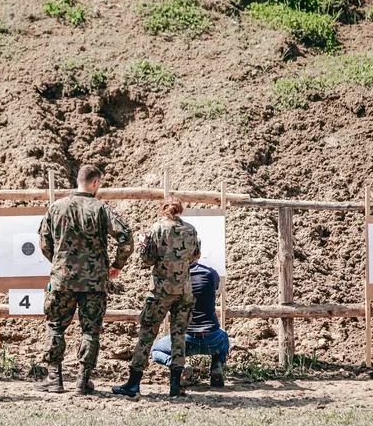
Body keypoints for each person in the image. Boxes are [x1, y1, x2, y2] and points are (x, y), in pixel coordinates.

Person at [35, 164, 133, 395]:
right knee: (90, 330)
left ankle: (54, 378)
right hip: (94, 283)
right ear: (95, 183)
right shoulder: (101, 208)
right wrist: (116, 266)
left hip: (63, 280)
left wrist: (59, 263)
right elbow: (126, 238)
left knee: (56, 326)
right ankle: (82, 380)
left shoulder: (56, 207)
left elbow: (43, 243)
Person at [113, 195, 200, 398]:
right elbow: (196, 256)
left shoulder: (157, 228)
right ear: (181, 210)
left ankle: (133, 384)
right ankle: (175, 386)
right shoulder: (191, 230)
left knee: (147, 334)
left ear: (163, 209)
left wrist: (145, 246)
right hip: (184, 291)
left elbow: (147, 260)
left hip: (160, 291)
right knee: (179, 337)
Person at [149, 258, 229, 388]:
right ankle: (216, 365)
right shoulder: (211, 273)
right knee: (224, 336)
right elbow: (215, 287)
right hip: (212, 339)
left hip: (185, 340)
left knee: (155, 350)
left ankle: (178, 364)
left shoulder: (175, 278)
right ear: (199, 255)